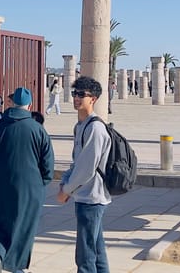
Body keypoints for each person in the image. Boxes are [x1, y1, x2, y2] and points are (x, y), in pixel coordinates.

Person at [0, 87, 54, 273]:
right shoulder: (37, 130)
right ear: (29, 106)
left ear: (12, 103)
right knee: (23, 226)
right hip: (29, 188)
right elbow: (48, 165)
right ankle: (16, 266)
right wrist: (42, 183)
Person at [57, 76, 112, 273]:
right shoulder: (81, 126)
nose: (76, 98)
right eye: (75, 93)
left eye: (81, 94)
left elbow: (87, 168)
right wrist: (65, 182)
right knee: (96, 249)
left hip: (92, 197)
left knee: (85, 255)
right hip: (85, 195)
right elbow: (77, 162)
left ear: (93, 99)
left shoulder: (95, 128)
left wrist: (67, 190)